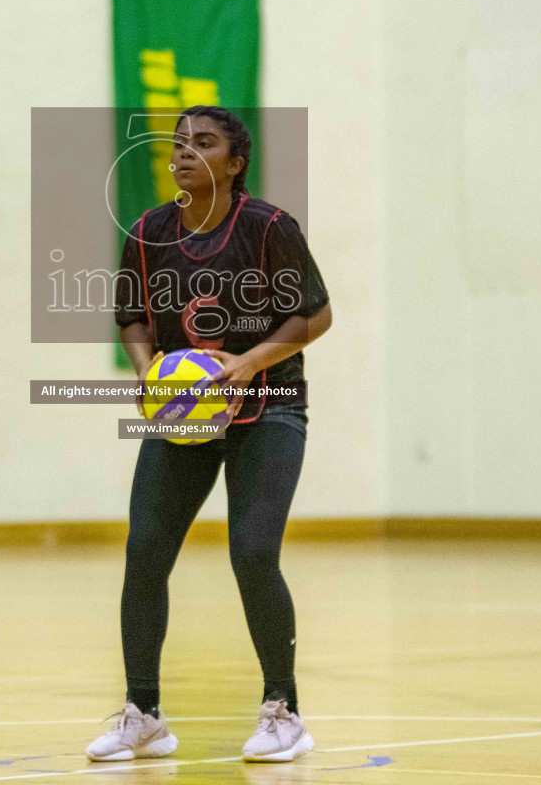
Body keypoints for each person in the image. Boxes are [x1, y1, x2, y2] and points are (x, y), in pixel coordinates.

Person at [88, 106, 332, 764]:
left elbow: (317, 315)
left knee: (252, 553)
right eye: (179, 143)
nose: (186, 151)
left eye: (205, 142)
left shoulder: (269, 228)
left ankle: (284, 711)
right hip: (185, 418)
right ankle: (144, 715)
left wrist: (248, 363)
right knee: (145, 551)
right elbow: (132, 315)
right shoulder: (147, 231)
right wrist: (147, 376)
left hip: (269, 409)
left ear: (235, 161)